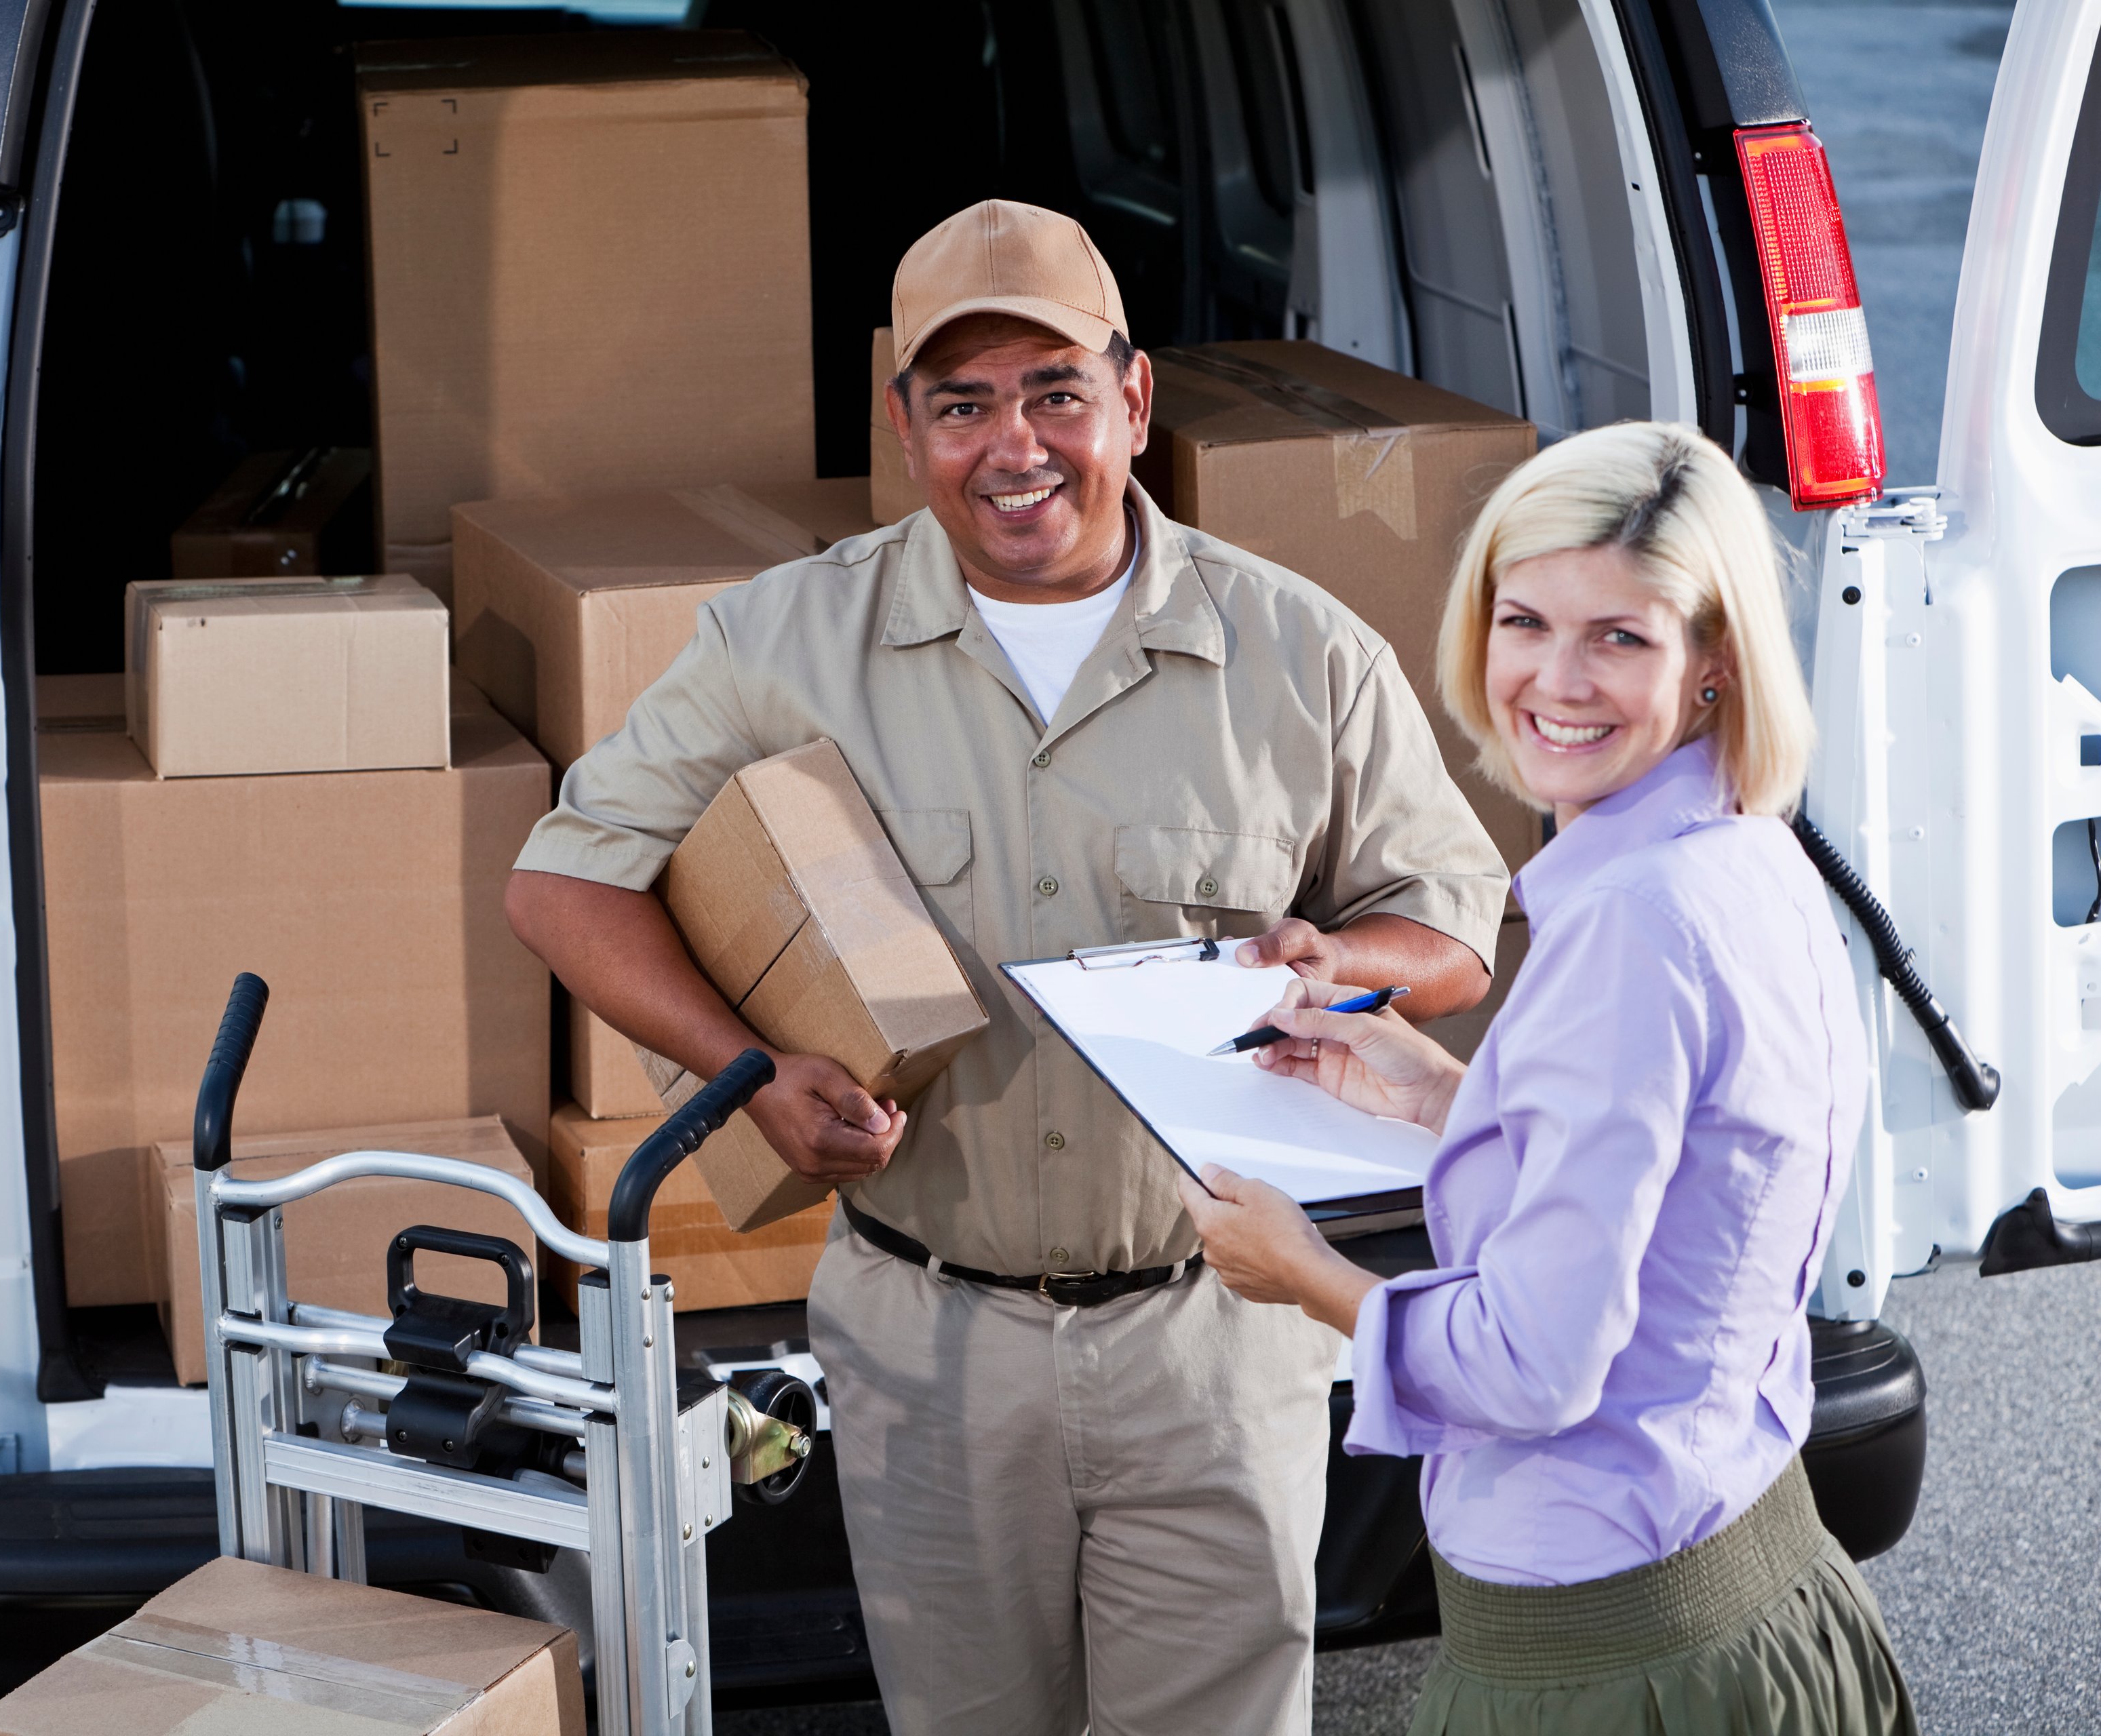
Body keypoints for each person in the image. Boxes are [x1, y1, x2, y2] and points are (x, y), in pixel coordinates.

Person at [504, 198, 1510, 1735]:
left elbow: (1452, 922)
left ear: (1134, 399)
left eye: (1055, 394)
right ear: (906, 428)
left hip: (1214, 1332)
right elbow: (565, 879)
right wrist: (749, 1072)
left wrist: (1342, 955)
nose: (1014, 446)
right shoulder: (785, 639)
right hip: (929, 1343)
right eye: (963, 405)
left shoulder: (1300, 651)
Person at [1177, 421, 1917, 1735]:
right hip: (1754, 1568)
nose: (1554, 678)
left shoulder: (1628, 926)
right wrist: (1433, 1089)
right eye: (1525, 620)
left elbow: (1535, 1361)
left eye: (1619, 636)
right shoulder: (1744, 853)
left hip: (1608, 1655)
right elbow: (1685, 1174)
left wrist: (1307, 1274)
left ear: (1712, 661)